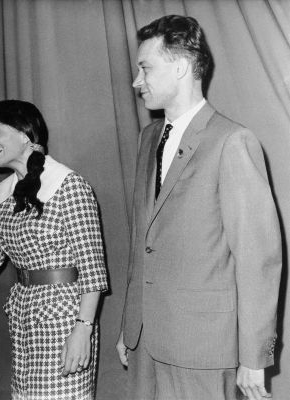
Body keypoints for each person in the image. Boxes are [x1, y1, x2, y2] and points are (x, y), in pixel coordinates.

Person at [116, 15, 281, 400]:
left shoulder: (232, 142)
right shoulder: (148, 138)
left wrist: (253, 356)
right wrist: (129, 324)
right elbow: (144, 241)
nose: (137, 82)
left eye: (145, 69)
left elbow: (259, 258)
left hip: (202, 350)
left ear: (181, 67)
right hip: (146, 342)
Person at [0, 99, 108, 399]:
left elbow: (92, 269)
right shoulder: (3, 193)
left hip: (65, 318)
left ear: (25, 134)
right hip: (25, 317)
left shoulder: (69, 185)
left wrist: (84, 330)